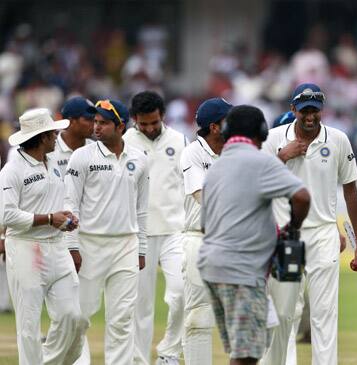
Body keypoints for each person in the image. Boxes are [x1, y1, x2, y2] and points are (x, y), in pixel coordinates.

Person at [261, 83, 357, 365]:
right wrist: (281, 156)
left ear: (322, 110)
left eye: (315, 110)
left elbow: (350, 191)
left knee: (324, 313)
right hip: (287, 235)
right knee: (285, 312)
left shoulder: (337, 139)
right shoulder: (273, 139)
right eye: (305, 109)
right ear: (293, 109)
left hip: (323, 234)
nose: (310, 116)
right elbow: (256, 182)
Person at [198, 105, 311, 365]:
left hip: (212, 266)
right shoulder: (261, 161)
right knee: (246, 355)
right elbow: (302, 197)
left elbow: (206, 225)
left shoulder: (217, 167)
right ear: (262, 131)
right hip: (241, 270)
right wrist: (292, 227)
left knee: (253, 340)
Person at [64, 99, 149, 365]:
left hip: (126, 245)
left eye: (103, 123)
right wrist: (72, 246)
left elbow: (142, 208)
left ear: (120, 126)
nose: (96, 127)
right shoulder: (82, 156)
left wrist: (142, 248)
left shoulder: (139, 159)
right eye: (95, 122)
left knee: (122, 318)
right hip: (90, 244)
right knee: (81, 317)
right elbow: (70, 204)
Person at [0, 108, 85, 364]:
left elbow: (58, 201)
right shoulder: (12, 170)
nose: (58, 135)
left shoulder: (55, 163)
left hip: (57, 246)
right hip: (27, 248)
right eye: (53, 133)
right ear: (42, 137)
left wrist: (67, 218)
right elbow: (6, 216)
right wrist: (49, 218)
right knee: (29, 325)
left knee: (73, 317)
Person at [124, 91, 188, 365]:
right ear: (134, 120)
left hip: (175, 230)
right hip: (139, 234)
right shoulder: (125, 142)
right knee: (141, 305)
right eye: (144, 124)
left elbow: (189, 185)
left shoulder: (180, 140)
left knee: (182, 293)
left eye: (154, 122)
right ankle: (138, 360)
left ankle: (169, 352)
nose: (150, 128)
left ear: (163, 115)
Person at [180, 97, 232, 365]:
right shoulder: (193, 152)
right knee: (199, 316)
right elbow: (203, 195)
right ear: (214, 127)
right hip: (200, 240)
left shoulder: (236, 150)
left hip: (234, 242)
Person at [51, 96, 97, 177]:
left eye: (94, 119)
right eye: (88, 119)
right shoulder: (50, 150)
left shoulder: (96, 150)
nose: (94, 124)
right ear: (71, 122)